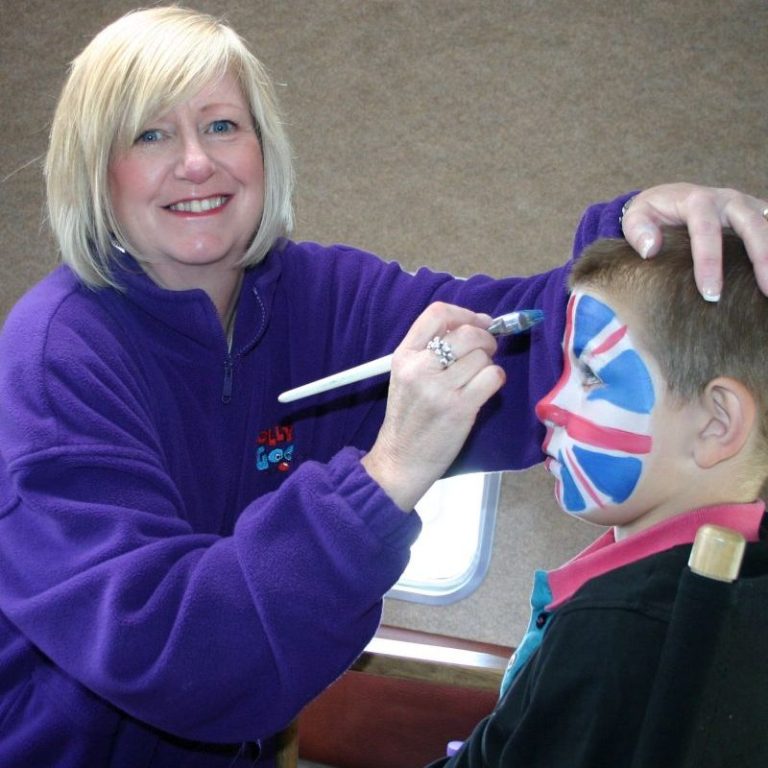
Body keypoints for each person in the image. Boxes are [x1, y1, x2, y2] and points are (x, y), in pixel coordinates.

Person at [0, 6, 766, 767]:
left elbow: (531, 343)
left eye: (223, 126)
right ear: (95, 169)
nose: (197, 162)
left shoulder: (322, 296)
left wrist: (637, 236)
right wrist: (386, 475)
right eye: (150, 134)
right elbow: (174, 652)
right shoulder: (56, 357)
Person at [427, 227, 768, 768]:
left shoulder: (615, 630)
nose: (547, 403)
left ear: (716, 423)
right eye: (564, 369)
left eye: (590, 375)